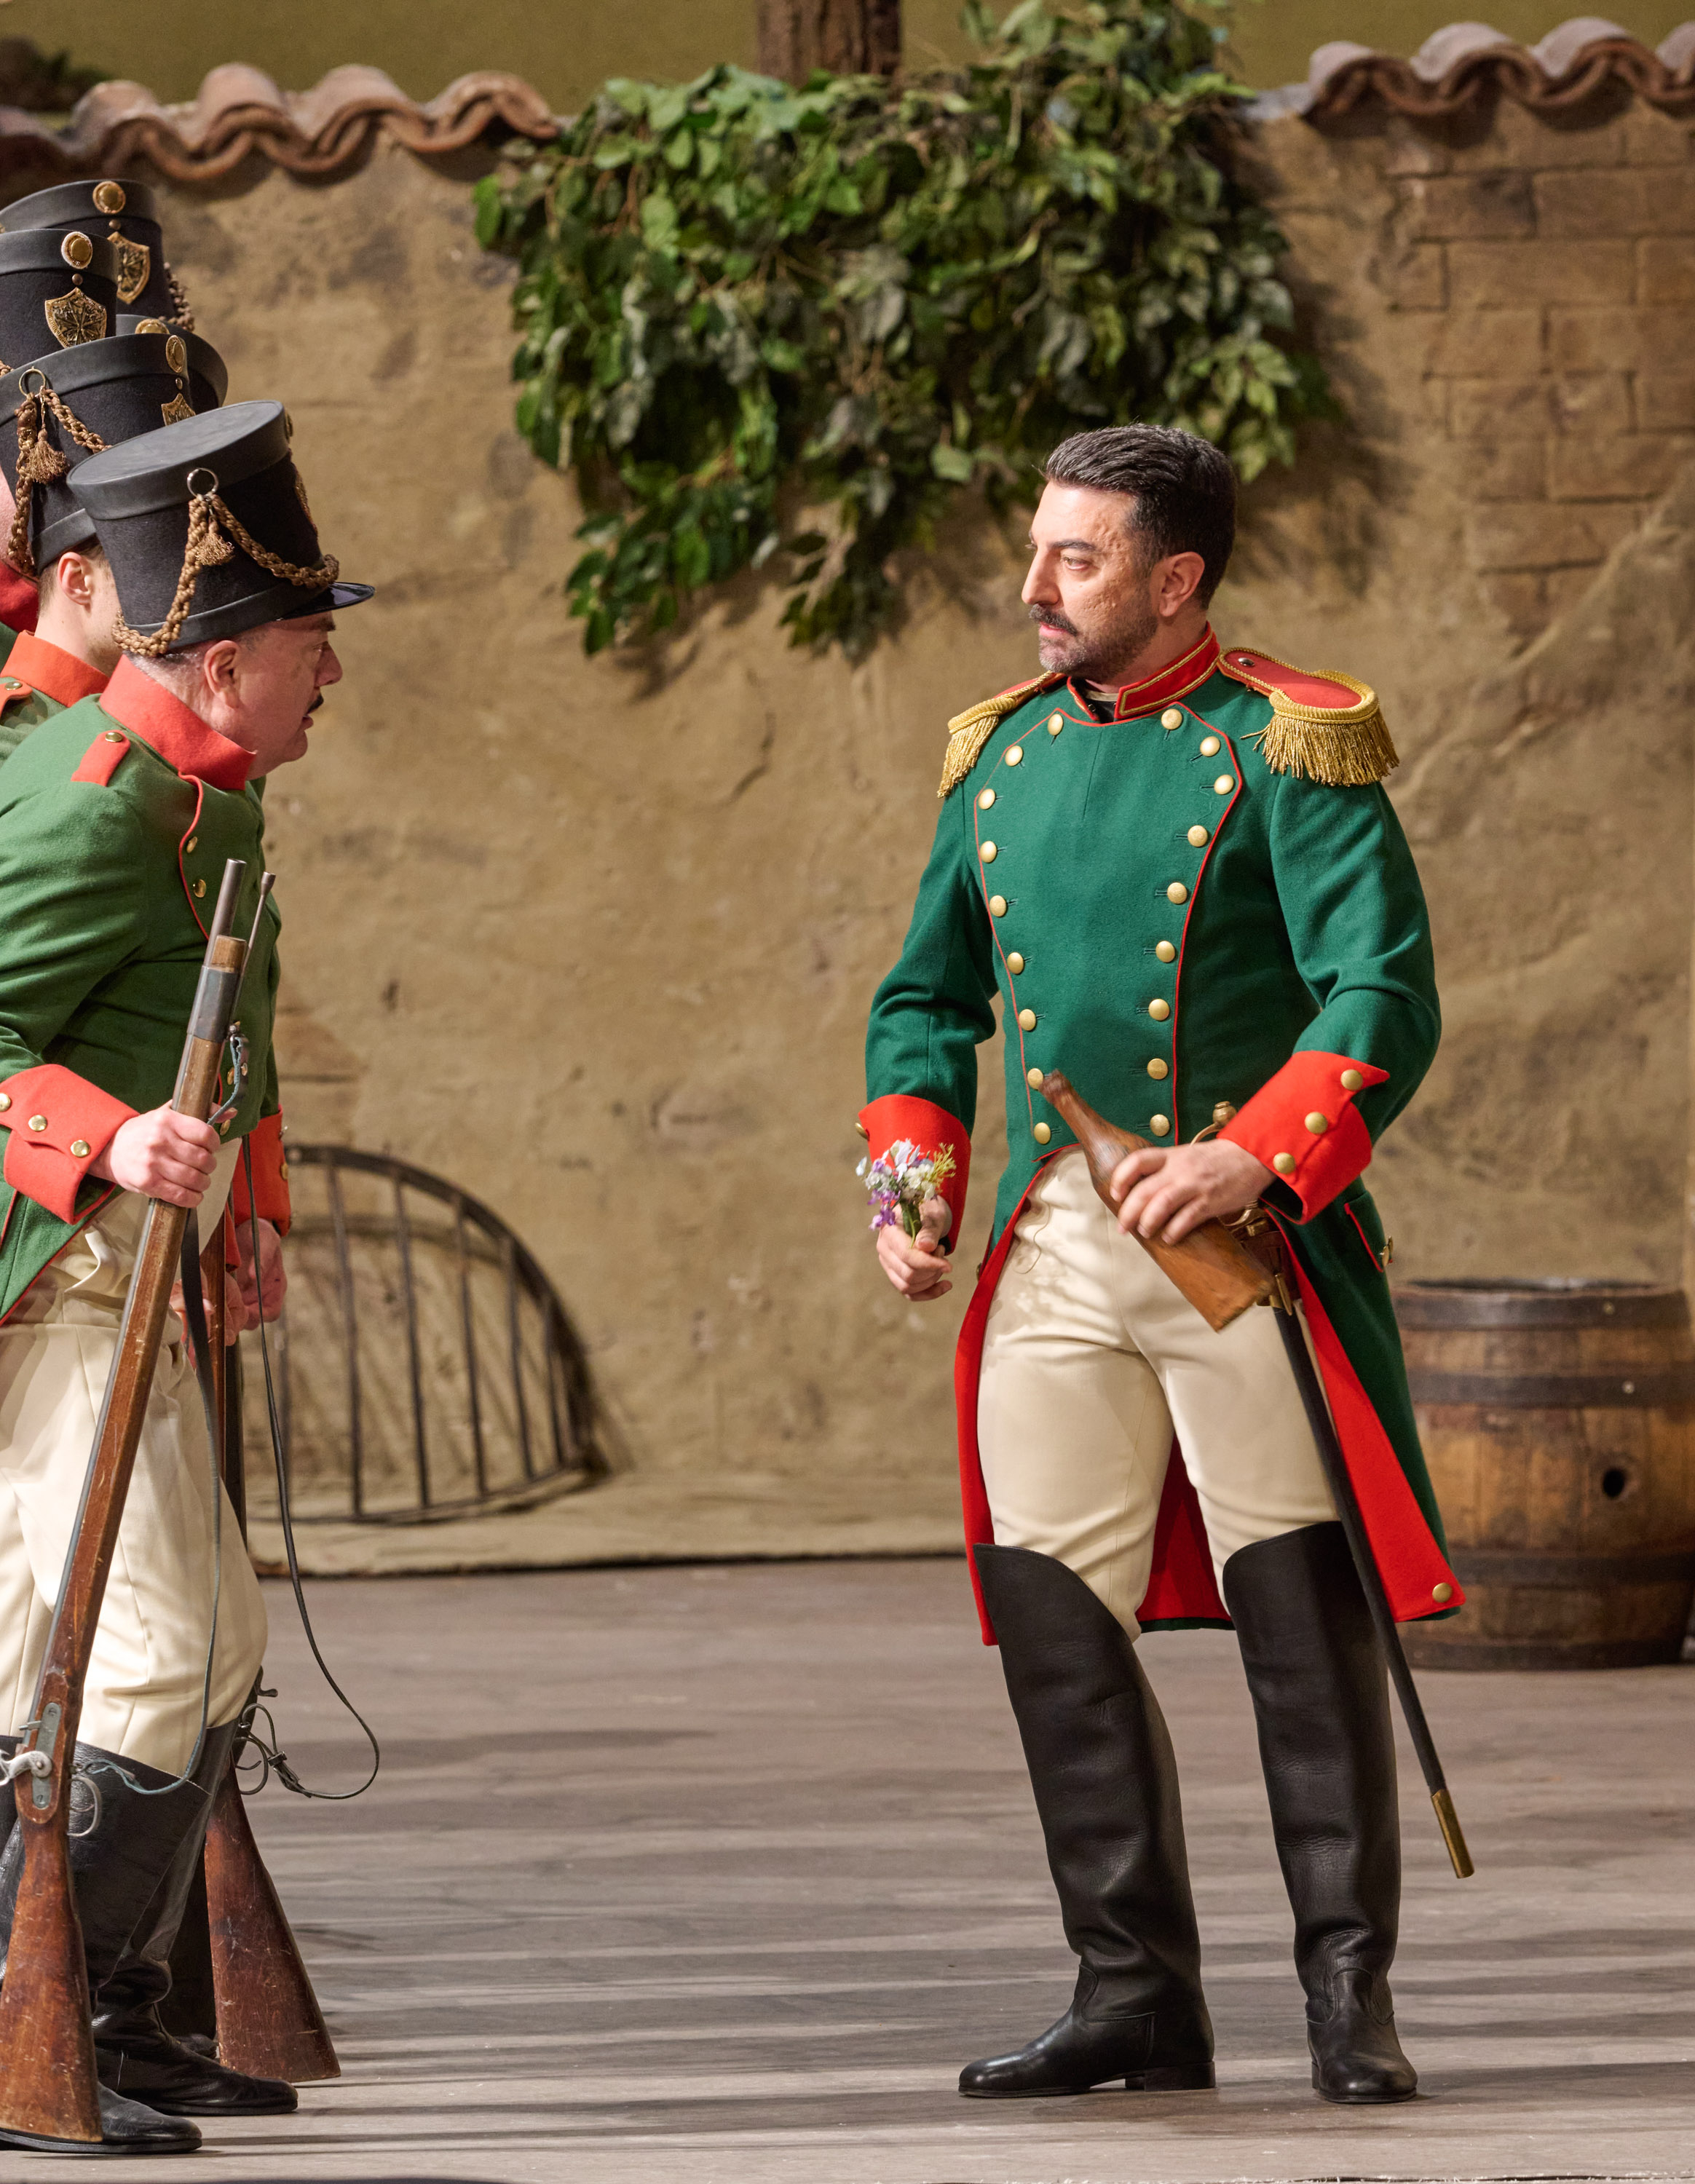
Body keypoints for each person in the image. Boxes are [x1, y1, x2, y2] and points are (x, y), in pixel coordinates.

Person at [861, 424, 1455, 2109]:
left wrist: (1250, 1154)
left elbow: (1380, 997)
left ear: (1176, 579)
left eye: (1077, 558)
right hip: (1060, 1242)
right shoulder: (999, 758)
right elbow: (925, 1003)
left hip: (1242, 1249)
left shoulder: (1291, 745)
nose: (1033, 585)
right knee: (1056, 1618)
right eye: (1039, 549)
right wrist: (911, 1177)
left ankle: (1350, 1997)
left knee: (1299, 1626)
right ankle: (1132, 1997)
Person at [0, 398, 371, 2155]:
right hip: (57, 1273)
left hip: (140, 1268)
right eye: (309, 648)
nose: (330, 680)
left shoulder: (204, 797)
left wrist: (252, 1199)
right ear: (219, 665)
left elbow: (244, 1031)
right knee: (153, 1653)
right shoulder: (87, 808)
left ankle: (111, 2015)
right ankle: (30, 2015)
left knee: (194, 1650)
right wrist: (101, 1135)